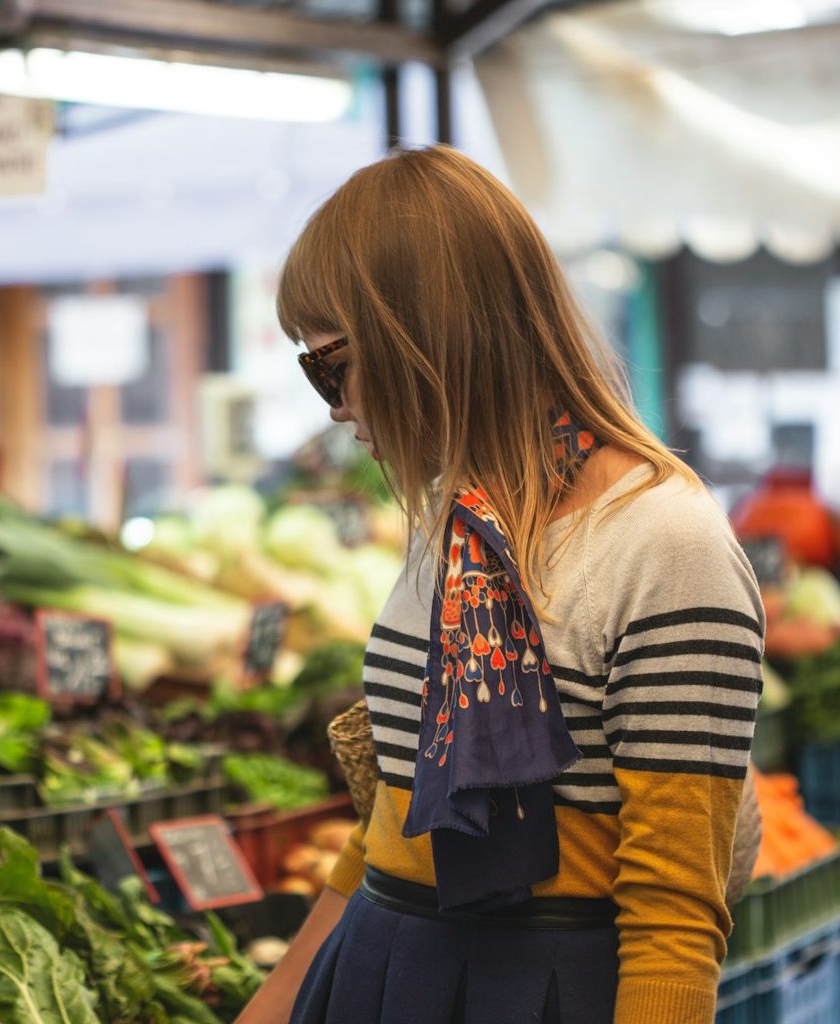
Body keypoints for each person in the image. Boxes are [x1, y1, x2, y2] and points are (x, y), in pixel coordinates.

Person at [241, 147, 763, 1024]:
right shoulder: (463, 518)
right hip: (383, 965)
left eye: (330, 365)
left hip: (543, 990)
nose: (332, 406)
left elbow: (675, 912)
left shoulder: (665, 544)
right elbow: (390, 824)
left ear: (423, 341)